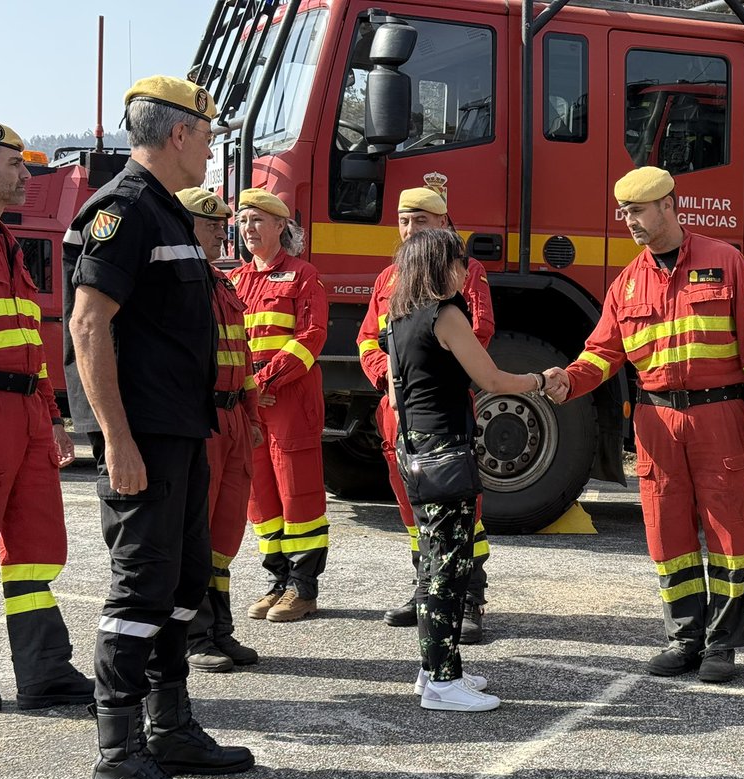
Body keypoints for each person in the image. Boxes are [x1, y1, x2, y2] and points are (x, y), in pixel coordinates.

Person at [64, 76, 253, 779]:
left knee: (183, 583)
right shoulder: (125, 209)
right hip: (143, 434)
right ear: (178, 134)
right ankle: (118, 758)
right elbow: (88, 325)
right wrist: (116, 440)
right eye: (207, 135)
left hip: (181, 429)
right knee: (141, 587)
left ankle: (169, 726)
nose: (210, 148)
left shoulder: (168, 211)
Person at [545, 166, 744, 684]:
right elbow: (602, 353)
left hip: (718, 413)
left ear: (669, 206)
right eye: (624, 212)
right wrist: (568, 380)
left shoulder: (725, 261)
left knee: (727, 529)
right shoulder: (627, 282)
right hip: (655, 419)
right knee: (665, 529)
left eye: (637, 211)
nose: (629, 221)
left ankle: (723, 643)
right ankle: (684, 639)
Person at [386, 228, 552, 712]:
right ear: (440, 266)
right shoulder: (446, 314)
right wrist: (542, 380)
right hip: (445, 450)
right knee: (449, 565)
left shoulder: (399, 317)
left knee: (433, 560)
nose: (465, 270)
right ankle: (442, 682)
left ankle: (435, 668)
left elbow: (396, 393)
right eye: (459, 261)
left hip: (415, 447)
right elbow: (491, 379)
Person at [357, 183, 495, 643]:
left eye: (420, 220)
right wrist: (389, 379)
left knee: (459, 503)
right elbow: (366, 340)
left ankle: (469, 597)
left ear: (442, 223)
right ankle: (426, 587)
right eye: (404, 220)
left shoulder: (466, 270)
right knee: (412, 501)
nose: (410, 228)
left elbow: (478, 333)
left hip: (439, 404)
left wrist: (417, 376)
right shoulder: (387, 277)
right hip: (395, 406)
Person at [0, 122, 92, 713]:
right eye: (13, 163)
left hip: (26, 411)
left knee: (35, 543)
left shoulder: (8, 243)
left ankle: (44, 671)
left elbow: (31, 341)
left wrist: (53, 416)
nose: (26, 174)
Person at [231, 188, 329, 624]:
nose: (248, 228)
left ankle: (303, 589)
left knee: (298, 491)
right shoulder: (235, 280)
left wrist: (264, 380)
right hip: (253, 402)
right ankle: (277, 580)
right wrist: (247, 389)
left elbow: (312, 337)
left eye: (257, 220)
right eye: (243, 221)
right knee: (260, 496)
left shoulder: (304, 274)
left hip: (289, 397)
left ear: (280, 226)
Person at [176, 187, 262, 672]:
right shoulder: (180, 281)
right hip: (201, 417)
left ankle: (217, 629)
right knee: (196, 529)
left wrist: (251, 415)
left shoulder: (222, 283)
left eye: (221, 225)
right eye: (209, 224)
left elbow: (242, 356)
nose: (220, 232)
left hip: (231, 419)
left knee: (225, 532)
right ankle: (193, 635)